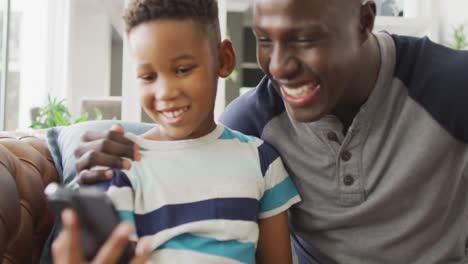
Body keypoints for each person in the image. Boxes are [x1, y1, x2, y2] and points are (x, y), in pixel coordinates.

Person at [73, 0, 468, 263]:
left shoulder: (450, 86)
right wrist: (94, 161)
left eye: (305, 39)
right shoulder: (251, 126)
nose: (278, 67)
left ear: (364, 21)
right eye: (264, 40)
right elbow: (194, 156)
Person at [52, 0, 301, 263]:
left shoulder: (262, 160)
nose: (165, 92)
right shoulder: (122, 166)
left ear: (224, 60)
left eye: (182, 70)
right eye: (148, 76)